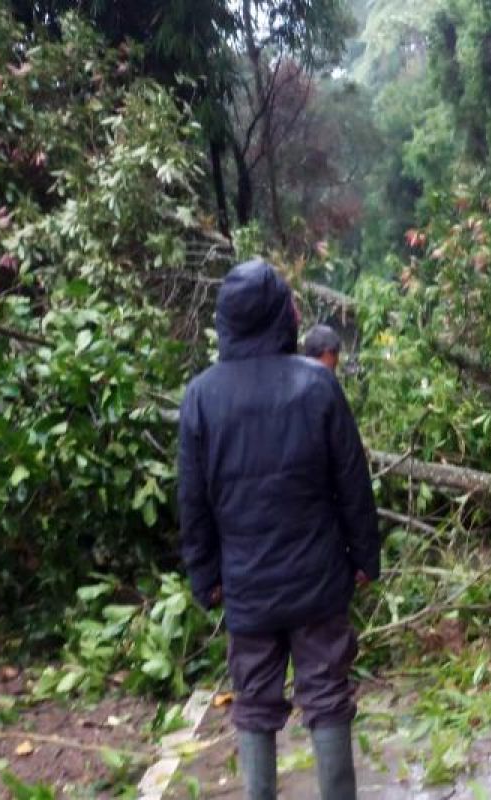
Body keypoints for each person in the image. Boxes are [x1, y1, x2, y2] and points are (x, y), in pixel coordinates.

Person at [178, 259, 379, 800]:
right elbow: (352, 482)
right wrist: (364, 556)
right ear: (279, 316)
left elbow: (192, 502)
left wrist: (206, 578)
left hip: (246, 584)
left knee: (255, 705)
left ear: (227, 320)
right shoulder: (317, 384)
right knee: (327, 696)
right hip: (318, 578)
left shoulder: (201, 396)